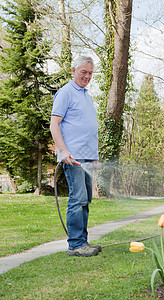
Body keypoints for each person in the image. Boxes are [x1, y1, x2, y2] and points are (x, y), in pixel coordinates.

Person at [50, 56, 101, 257]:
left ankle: (83, 242)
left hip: (87, 157)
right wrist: (63, 151)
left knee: (85, 200)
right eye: (83, 72)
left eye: (90, 73)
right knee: (77, 199)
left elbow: (89, 128)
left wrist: (95, 155)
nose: (87, 76)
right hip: (73, 157)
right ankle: (75, 245)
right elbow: (54, 125)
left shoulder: (87, 96)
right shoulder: (65, 93)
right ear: (74, 70)